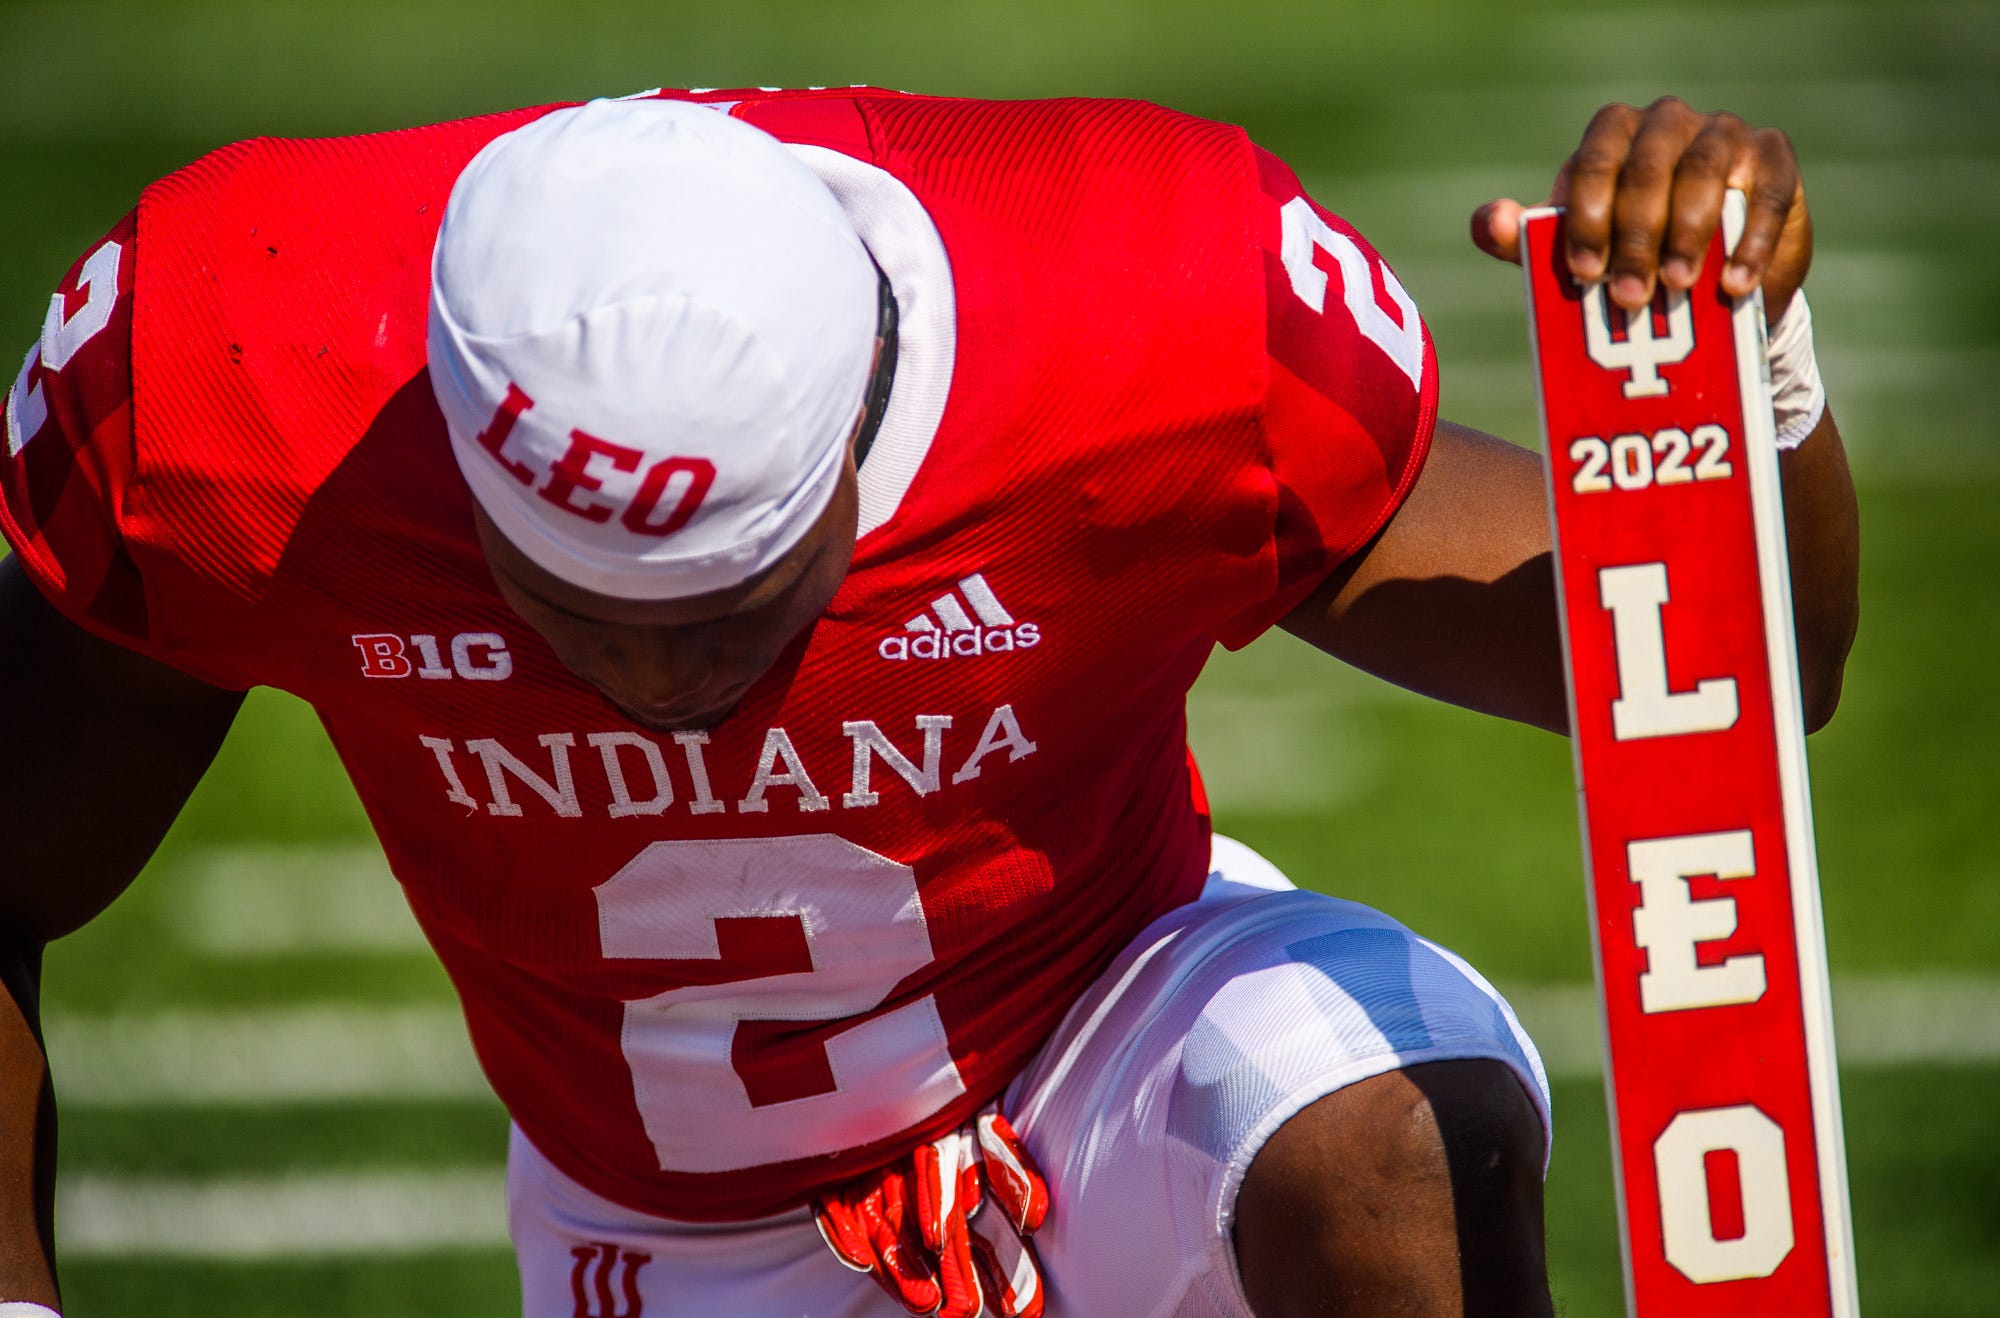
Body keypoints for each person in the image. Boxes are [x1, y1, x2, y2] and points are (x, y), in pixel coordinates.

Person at [0, 87, 1857, 1318]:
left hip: (1095, 1030)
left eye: (732, 608)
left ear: (865, 445)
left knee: (1385, 1112)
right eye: (576, 613)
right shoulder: (231, 383)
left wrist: (1748, 377)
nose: (660, 683)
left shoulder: (1138, 328)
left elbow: (1736, 674)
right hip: (659, 1217)